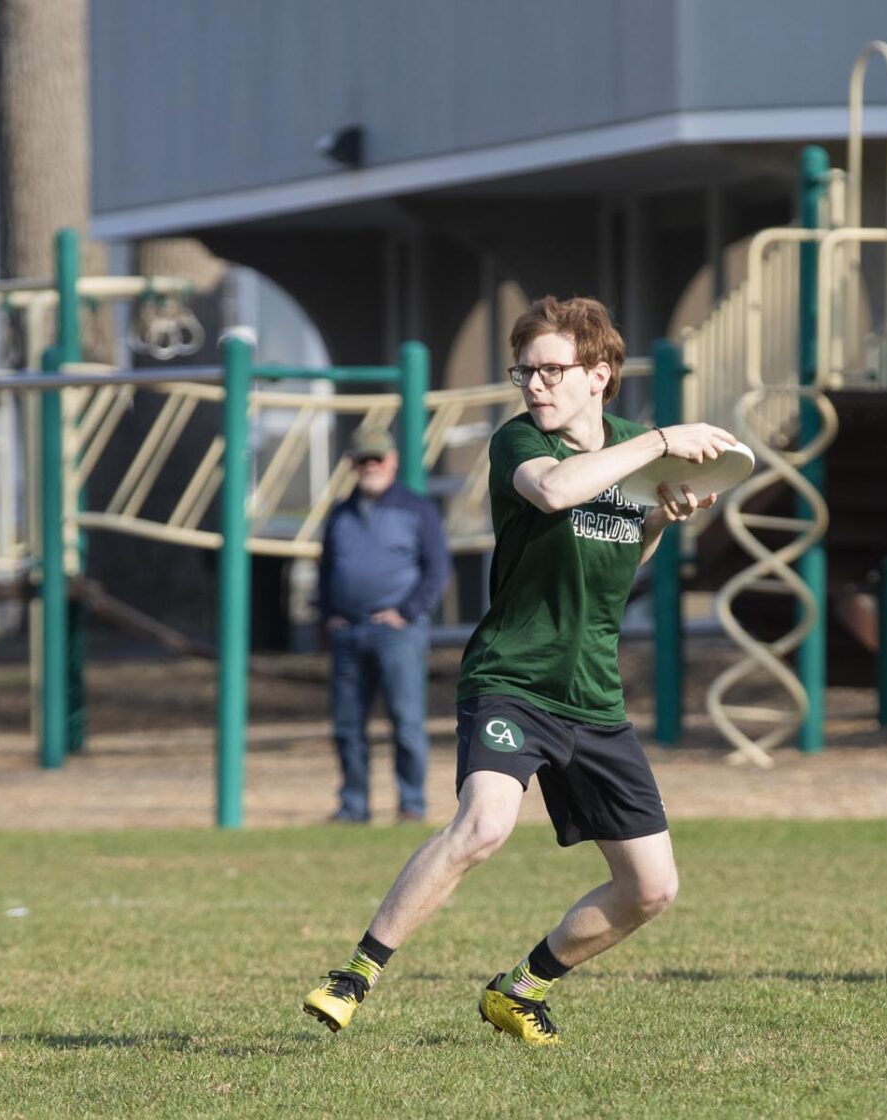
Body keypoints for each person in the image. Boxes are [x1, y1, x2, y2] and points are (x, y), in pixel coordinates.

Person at [303, 295, 739, 1045]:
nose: (534, 385)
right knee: (483, 826)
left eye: (551, 371)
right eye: (525, 371)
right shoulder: (520, 443)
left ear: (599, 374)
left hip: (593, 695)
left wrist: (660, 521)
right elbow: (558, 490)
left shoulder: (629, 449)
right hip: (512, 678)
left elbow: (617, 558)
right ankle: (356, 974)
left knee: (651, 887)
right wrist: (666, 438)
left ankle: (521, 989)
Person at [318, 425, 450, 824]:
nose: (370, 466)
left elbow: (437, 571)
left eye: (376, 458)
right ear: (351, 464)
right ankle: (353, 806)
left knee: (406, 723)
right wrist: (330, 614)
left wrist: (406, 613)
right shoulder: (339, 514)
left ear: (392, 461)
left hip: (398, 633)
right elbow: (325, 570)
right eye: (362, 460)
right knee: (347, 726)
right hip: (348, 631)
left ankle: (411, 805)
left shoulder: (418, 509)